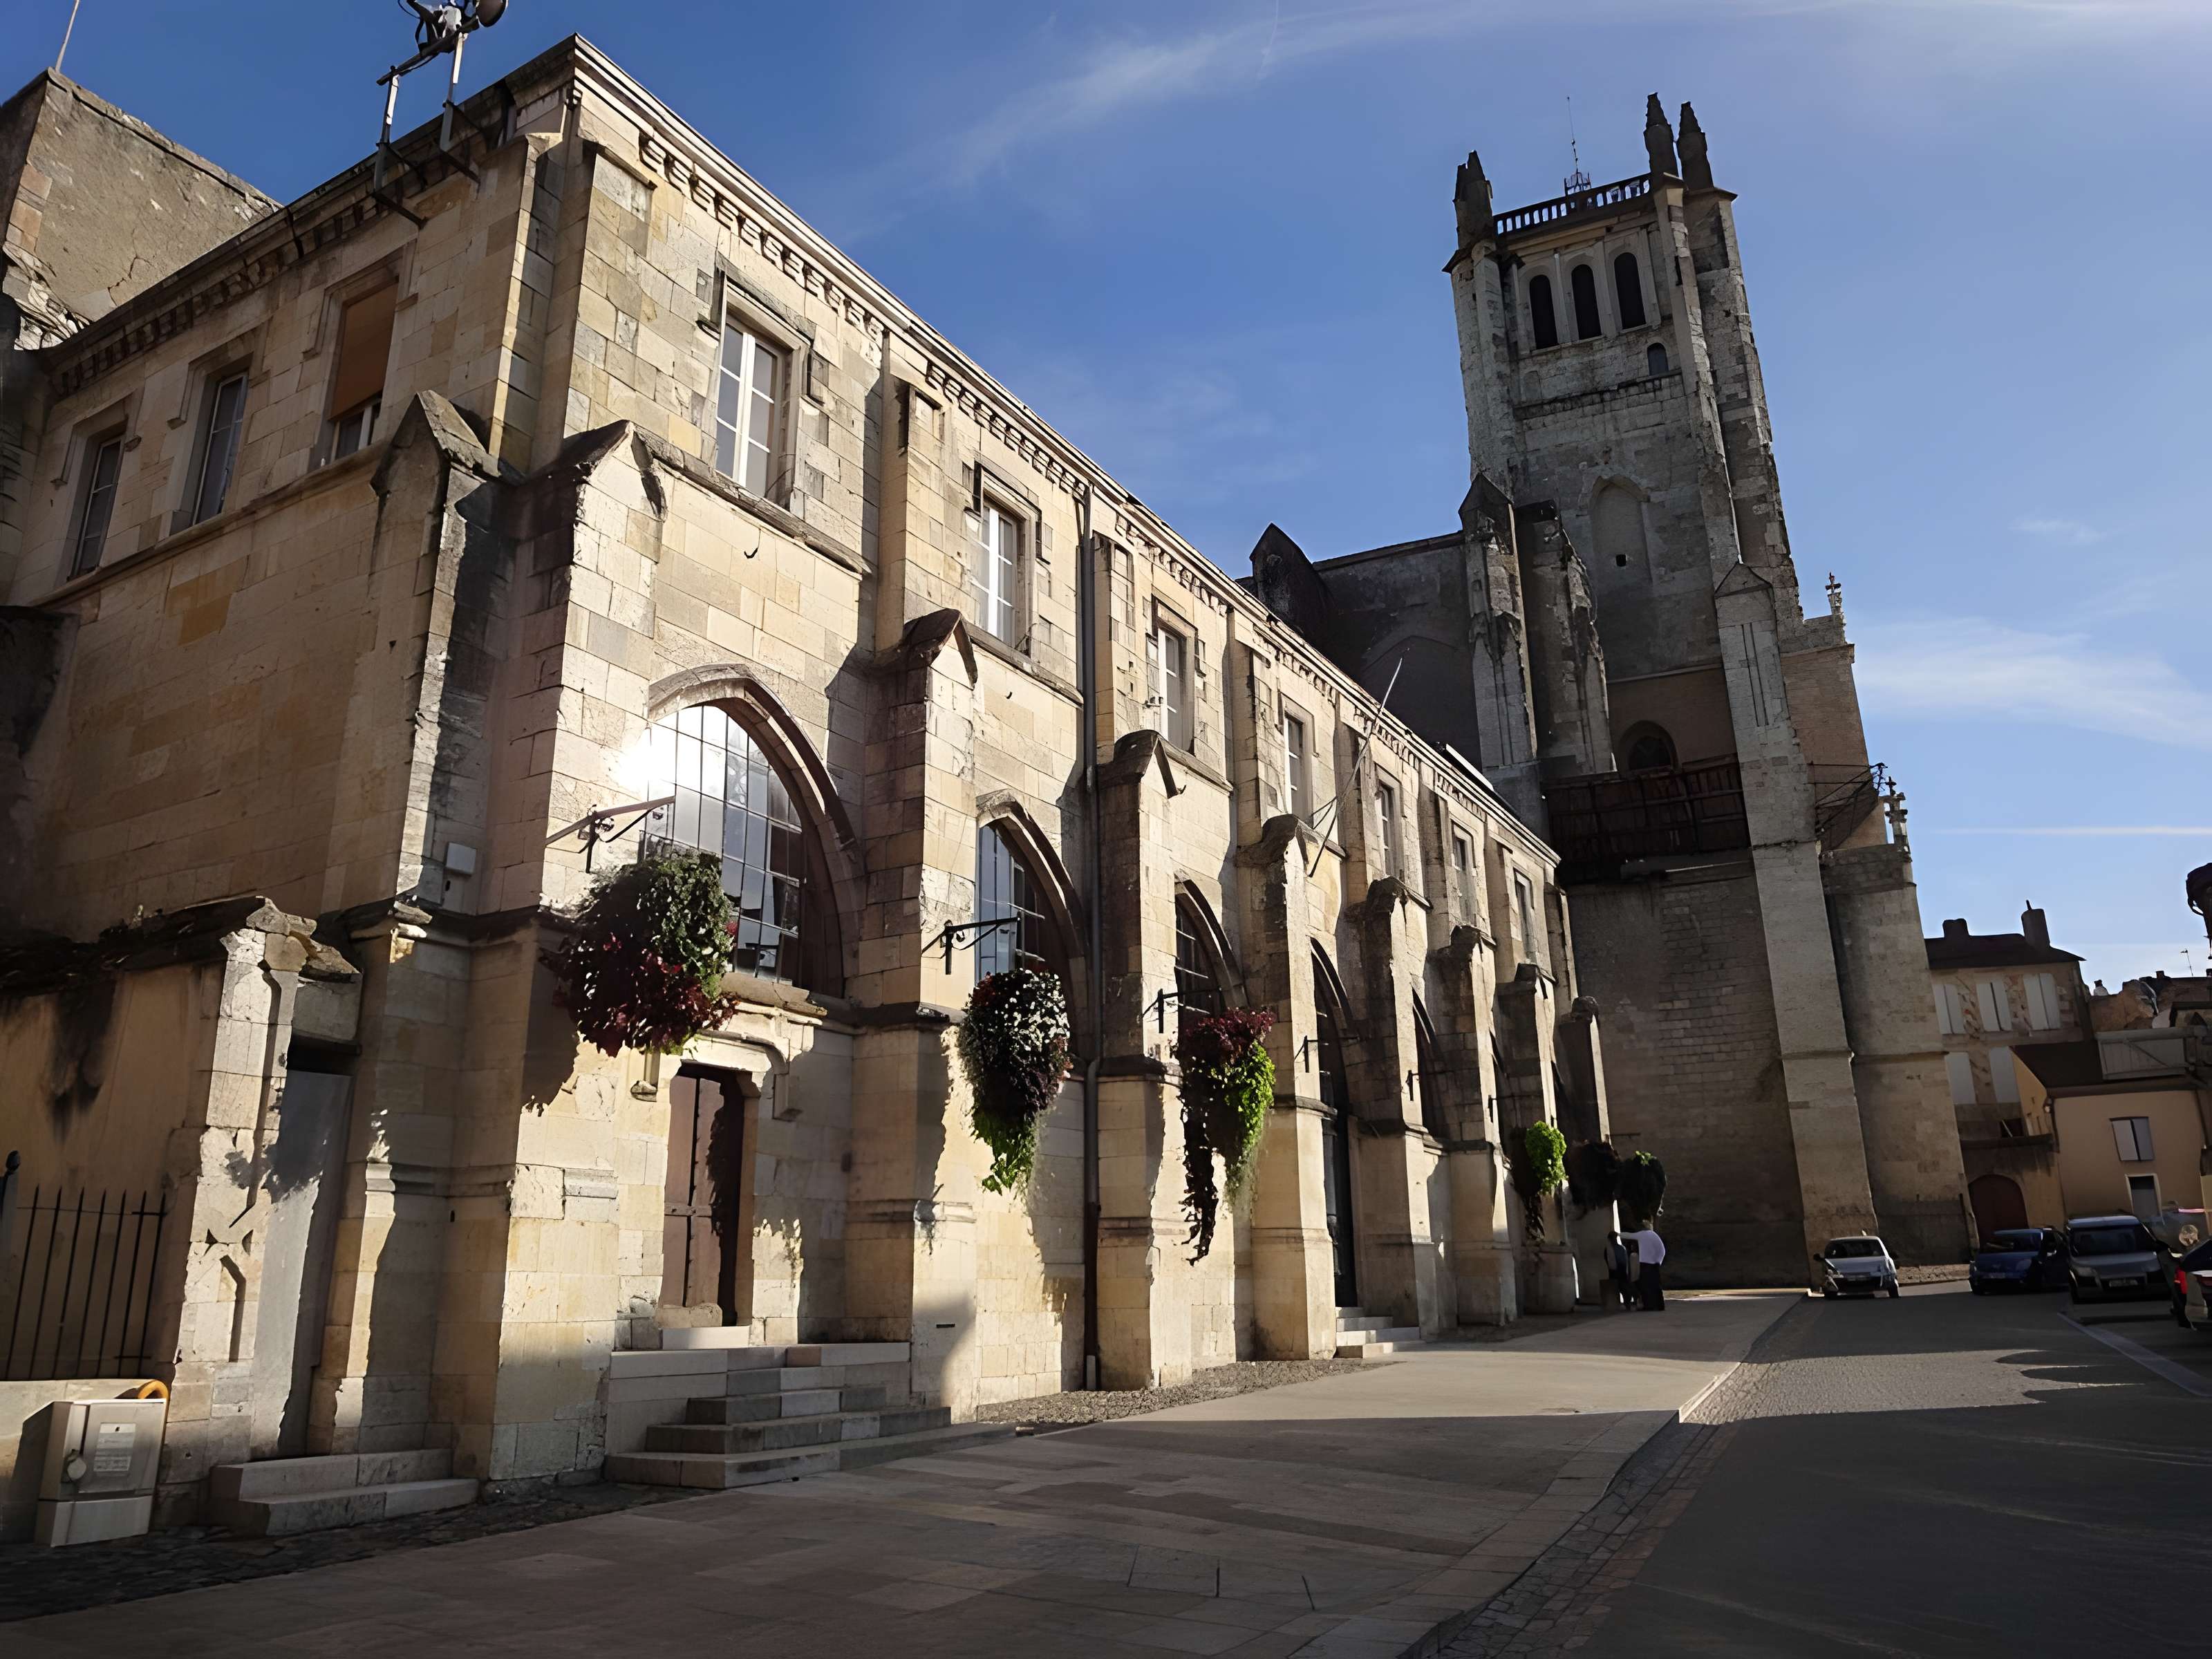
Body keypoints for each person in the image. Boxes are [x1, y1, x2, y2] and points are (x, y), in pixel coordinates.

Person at [1628, 1221, 1666, 1311]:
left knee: (1646, 1286)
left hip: (1647, 1265)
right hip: (1653, 1264)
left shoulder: (1644, 1240)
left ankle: (1650, 1305)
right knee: (1655, 1285)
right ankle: (1659, 1305)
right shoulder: (1651, 1239)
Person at [1604, 1231, 1632, 1309]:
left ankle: (1623, 1304)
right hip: (1622, 1271)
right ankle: (1627, 1304)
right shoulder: (1622, 1248)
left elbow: (1607, 1260)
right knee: (1624, 1288)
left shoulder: (1609, 1249)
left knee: (1619, 1288)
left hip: (1615, 1272)